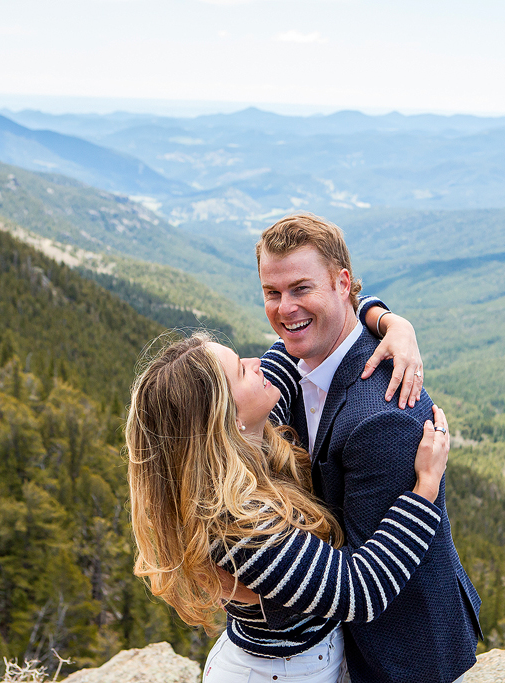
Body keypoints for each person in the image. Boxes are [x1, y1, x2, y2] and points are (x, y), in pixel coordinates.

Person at [127, 331, 451, 683]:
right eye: (241, 370)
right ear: (226, 418)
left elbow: (299, 338)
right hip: (279, 673)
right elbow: (360, 592)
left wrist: (392, 325)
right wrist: (425, 487)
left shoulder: (249, 442)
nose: (257, 364)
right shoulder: (238, 529)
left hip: (307, 660)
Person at [249, 214, 482, 683]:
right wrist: (385, 316)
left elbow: (369, 580)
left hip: (397, 649)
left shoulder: (382, 416)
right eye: (272, 293)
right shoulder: (293, 365)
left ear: (341, 284)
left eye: (301, 288)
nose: (285, 308)